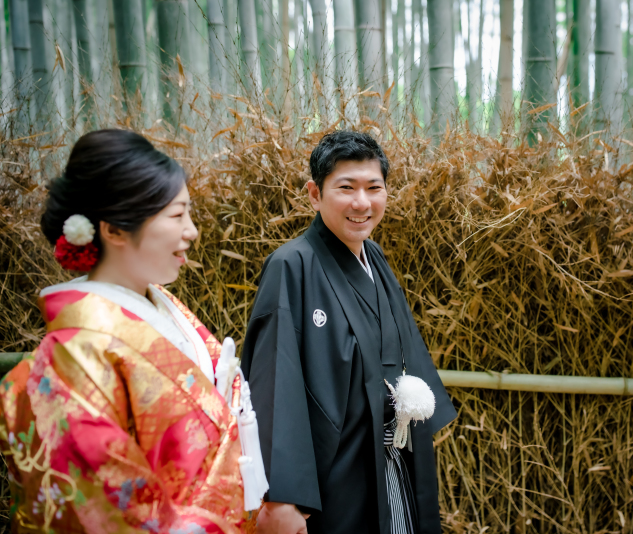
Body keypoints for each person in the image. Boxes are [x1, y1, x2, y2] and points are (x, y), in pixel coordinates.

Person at [0, 129, 267, 533]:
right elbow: (101, 498)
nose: (192, 231)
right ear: (114, 230)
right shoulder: (79, 348)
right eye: (177, 216)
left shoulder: (162, 306)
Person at [241, 131, 457, 534]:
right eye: (346, 188)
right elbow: (275, 381)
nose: (362, 202)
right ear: (314, 194)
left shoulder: (373, 256)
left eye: (374, 188)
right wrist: (282, 494)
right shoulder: (291, 265)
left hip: (390, 458)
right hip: (335, 474)